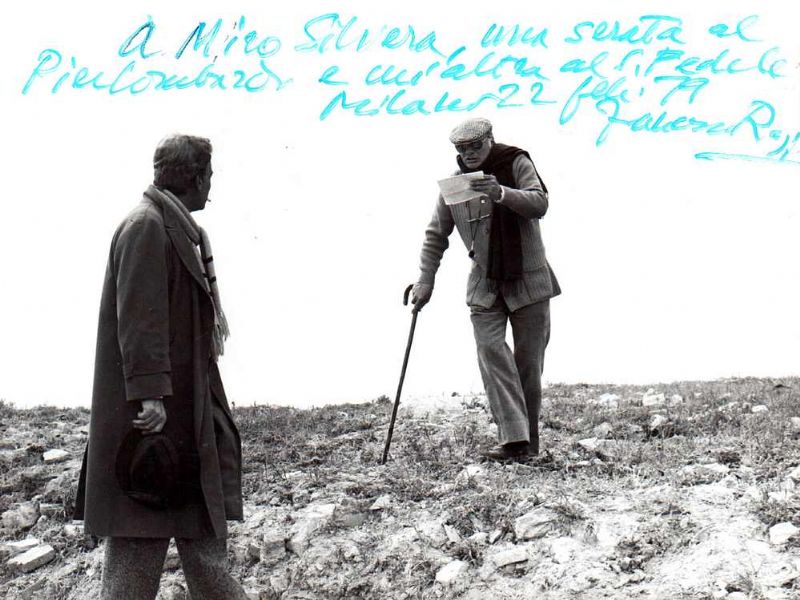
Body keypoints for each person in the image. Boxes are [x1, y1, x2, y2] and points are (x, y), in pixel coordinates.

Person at [74, 134, 247, 599]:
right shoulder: (147, 226)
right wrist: (150, 395)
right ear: (194, 177)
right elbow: (139, 318)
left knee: (200, 542)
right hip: (156, 419)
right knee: (138, 541)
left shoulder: (171, 225)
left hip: (182, 413)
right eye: (209, 175)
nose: (212, 184)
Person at [412, 117, 560, 461]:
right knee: (491, 350)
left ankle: (527, 449)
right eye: (461, 149)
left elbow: (540, 203)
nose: (468, 154)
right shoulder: (452, 186)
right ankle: (513, 441)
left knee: (528, 367)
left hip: (529, 280)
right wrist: (425, 280)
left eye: (475, 146)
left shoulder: (516, 161)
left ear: (490, 140)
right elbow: (436, 236)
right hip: (485, 284)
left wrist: (502, 193)